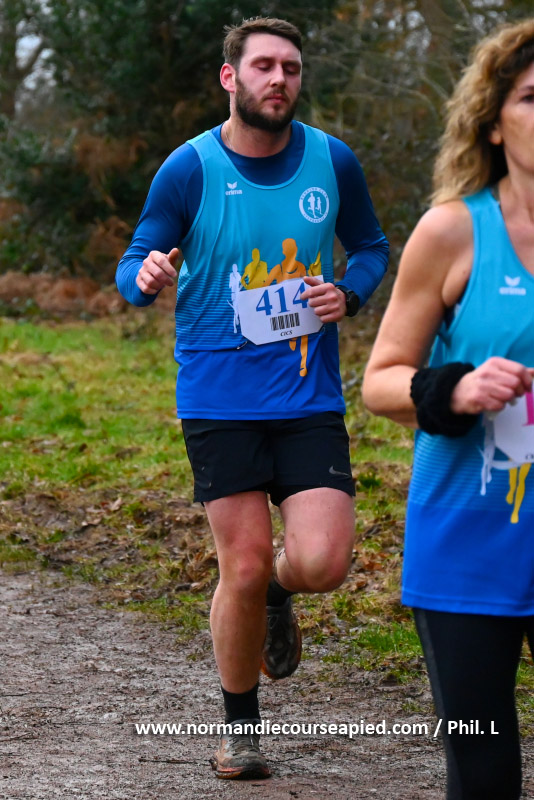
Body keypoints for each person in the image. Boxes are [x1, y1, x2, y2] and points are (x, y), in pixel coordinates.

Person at [116, 16, 388, 779]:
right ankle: (240, 730)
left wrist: (350, 293)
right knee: (238, 564)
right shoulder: (190, 168)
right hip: (218, 399)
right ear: (230, 77)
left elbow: (371, 247)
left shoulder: (332, 161)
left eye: (291, 68)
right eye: (264, 66)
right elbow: (136, 260)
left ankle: (277, 589)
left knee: (324, 562)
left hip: (307, 397)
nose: (279, 80)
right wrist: (144, 277)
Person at [362, 19, 534, 800]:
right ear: (494, 123)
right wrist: (453, 390)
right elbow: (380, 381)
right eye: (532, 98)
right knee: (484, 772)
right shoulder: (453, 231)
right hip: (468, 542)